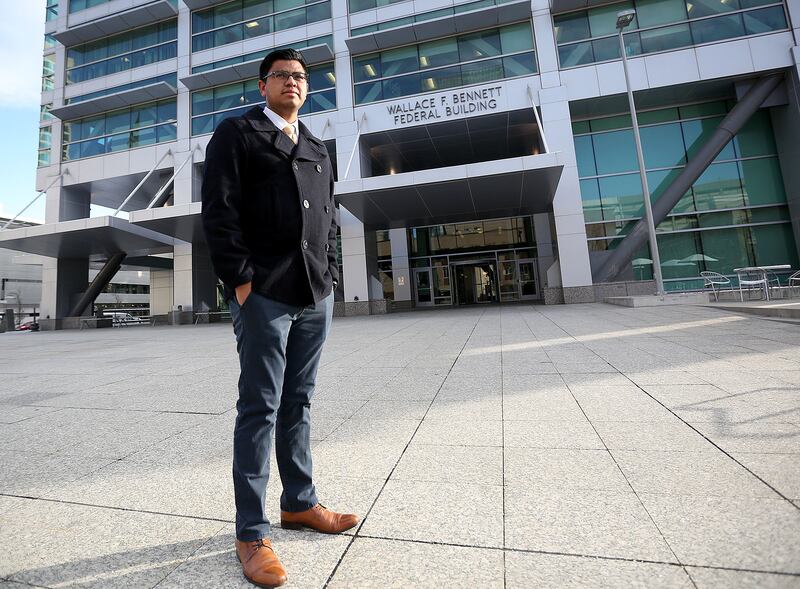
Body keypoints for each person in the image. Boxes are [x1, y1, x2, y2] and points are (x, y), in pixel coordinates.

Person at [201, 48, 358, 589]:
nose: (292, 82)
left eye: (299, 77)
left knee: (300, 401)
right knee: (260, 407)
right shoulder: (236, 135)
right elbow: (219, 213)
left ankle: (299, 502)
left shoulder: (316, 146)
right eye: (281, 76)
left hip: (315, 294)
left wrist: (331, 274)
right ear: (262, 85)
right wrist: (242, 281)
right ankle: (251, 532)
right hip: (264, 291)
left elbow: (329, 217)